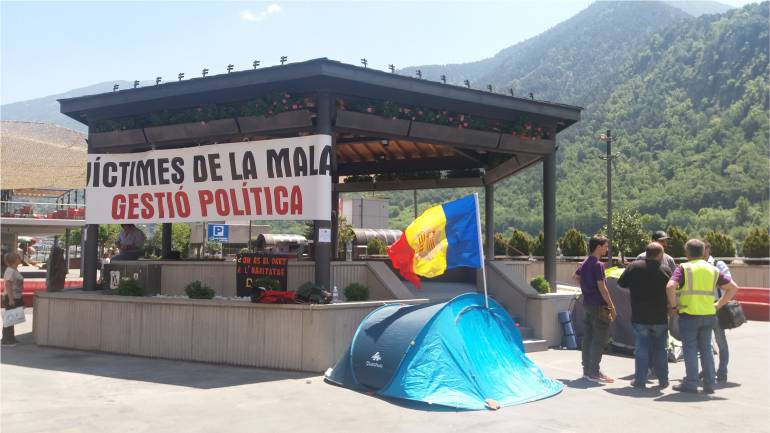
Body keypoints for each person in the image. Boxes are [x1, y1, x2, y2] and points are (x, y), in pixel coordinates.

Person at [666, 239, 738, 394]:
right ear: (702, 251)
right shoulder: (713, 269)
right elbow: (733, 288)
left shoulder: (684, 268)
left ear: (687, 253)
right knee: (706, 349)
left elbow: (670, 286)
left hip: (689, 315)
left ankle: (691, 383)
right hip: (709, 315)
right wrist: (719, 304)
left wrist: (674, 306)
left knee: (690, 349)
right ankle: (709, 384)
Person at [617, 242, 672, 389]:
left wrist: (634, 291)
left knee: (641, 348)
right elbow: (672, 289)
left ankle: (640, 380)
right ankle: (663, 380)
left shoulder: (633, 267)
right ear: (659, 255)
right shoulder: (665, 270)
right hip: (660, 317)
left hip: (640, 316)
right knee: (660, 349)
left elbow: (620, 285)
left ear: (646, 253)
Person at [573, 234, 616, 384]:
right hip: (598, 305)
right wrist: (612, 306)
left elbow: (575, 277)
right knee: (598, 339)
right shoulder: (598, 265)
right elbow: (602, 288)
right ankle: (594, 372)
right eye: (605, 246)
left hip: (587, 303)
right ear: (598, 247)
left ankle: (588, 370)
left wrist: (586, 288)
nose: (607, 249)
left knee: (588, 337)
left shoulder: (585, 262)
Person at [704, 240, 733, 383]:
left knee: (720, 341)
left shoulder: (718, 264)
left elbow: (729, 283)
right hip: (701, 308)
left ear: (708, 249)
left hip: (717, 307)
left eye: (704, 248)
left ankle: (722, 371)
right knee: (704, 342)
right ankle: (707, 370)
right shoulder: (694, 265)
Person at [2, 252, 25, 347]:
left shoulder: (14, 270)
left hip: (16, 296)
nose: (20, 259)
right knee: (9, 319)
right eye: (18, 257)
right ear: (14, 260)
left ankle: (11, 338)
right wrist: (11, 299)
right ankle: (6, 340)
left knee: (13, 318)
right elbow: (8, 284)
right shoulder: (10, 270)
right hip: (11, 297)